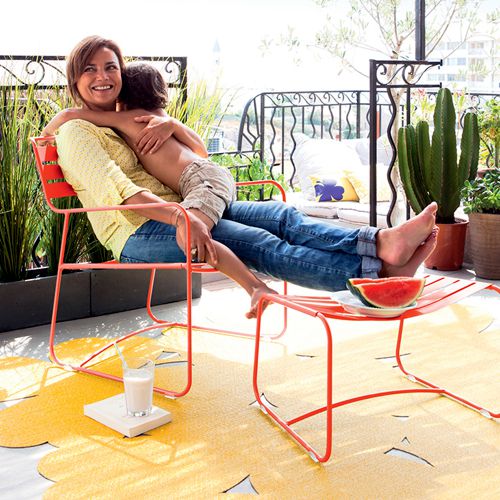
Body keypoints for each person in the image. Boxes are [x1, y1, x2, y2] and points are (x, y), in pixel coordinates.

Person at [52, 35, 438, 316]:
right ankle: (375, 275)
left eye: (110, 67)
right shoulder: (77, 131)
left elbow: (195, 152)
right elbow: (122, 195)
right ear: (75, 79)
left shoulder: (122, 122)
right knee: (255, 241)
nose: (102, 76)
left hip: (181, 207)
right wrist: (185, 217)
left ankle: (379, 242)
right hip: (137, 231)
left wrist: (170, 126)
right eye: (90, 69)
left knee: (278, 215)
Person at [42, 61, 276, 319]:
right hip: (210, 176)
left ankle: (256, 287)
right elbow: (202, 150)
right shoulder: (160, 119)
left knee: (193, 234)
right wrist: (173, 124)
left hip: (201, 181)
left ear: (124, 96)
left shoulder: (131, 117)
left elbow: (76, 116)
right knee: (197, 232)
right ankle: (256, 287)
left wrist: (52, 127)